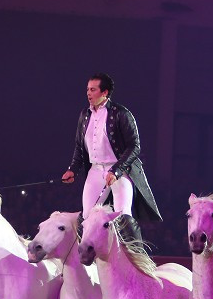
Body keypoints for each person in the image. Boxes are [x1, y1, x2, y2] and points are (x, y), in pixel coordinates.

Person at [61, 73, 161, 241]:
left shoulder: (121, 113)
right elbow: (80, 146)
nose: (88, 93)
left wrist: (116, 171)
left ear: (105, 92)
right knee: (87, 216)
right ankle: (89, 258)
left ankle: (137, 257)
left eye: (93, 90)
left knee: (123, 216)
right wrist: (73, 169)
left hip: (119, 170)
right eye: (87, 89)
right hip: (96, 169)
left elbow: (134, 146)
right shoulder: (84, 115)